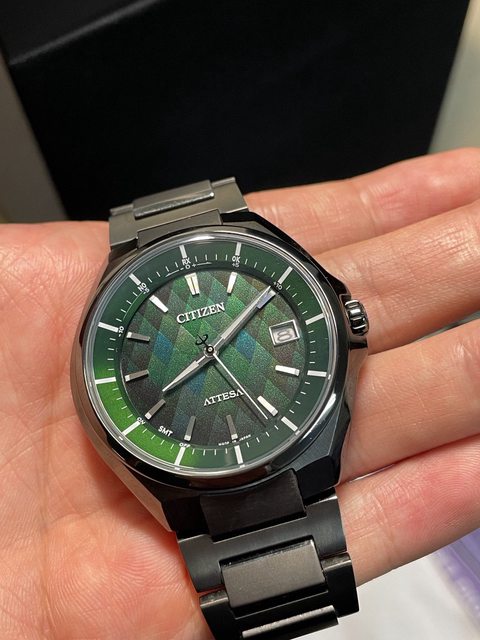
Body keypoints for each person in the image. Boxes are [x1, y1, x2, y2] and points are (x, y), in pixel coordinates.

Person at [0, 148, 479, 639]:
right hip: (207, 485)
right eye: (206, 352)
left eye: (213, 349)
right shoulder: (107, 385)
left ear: (349, 322)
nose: (209, 354)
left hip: (290, 457)